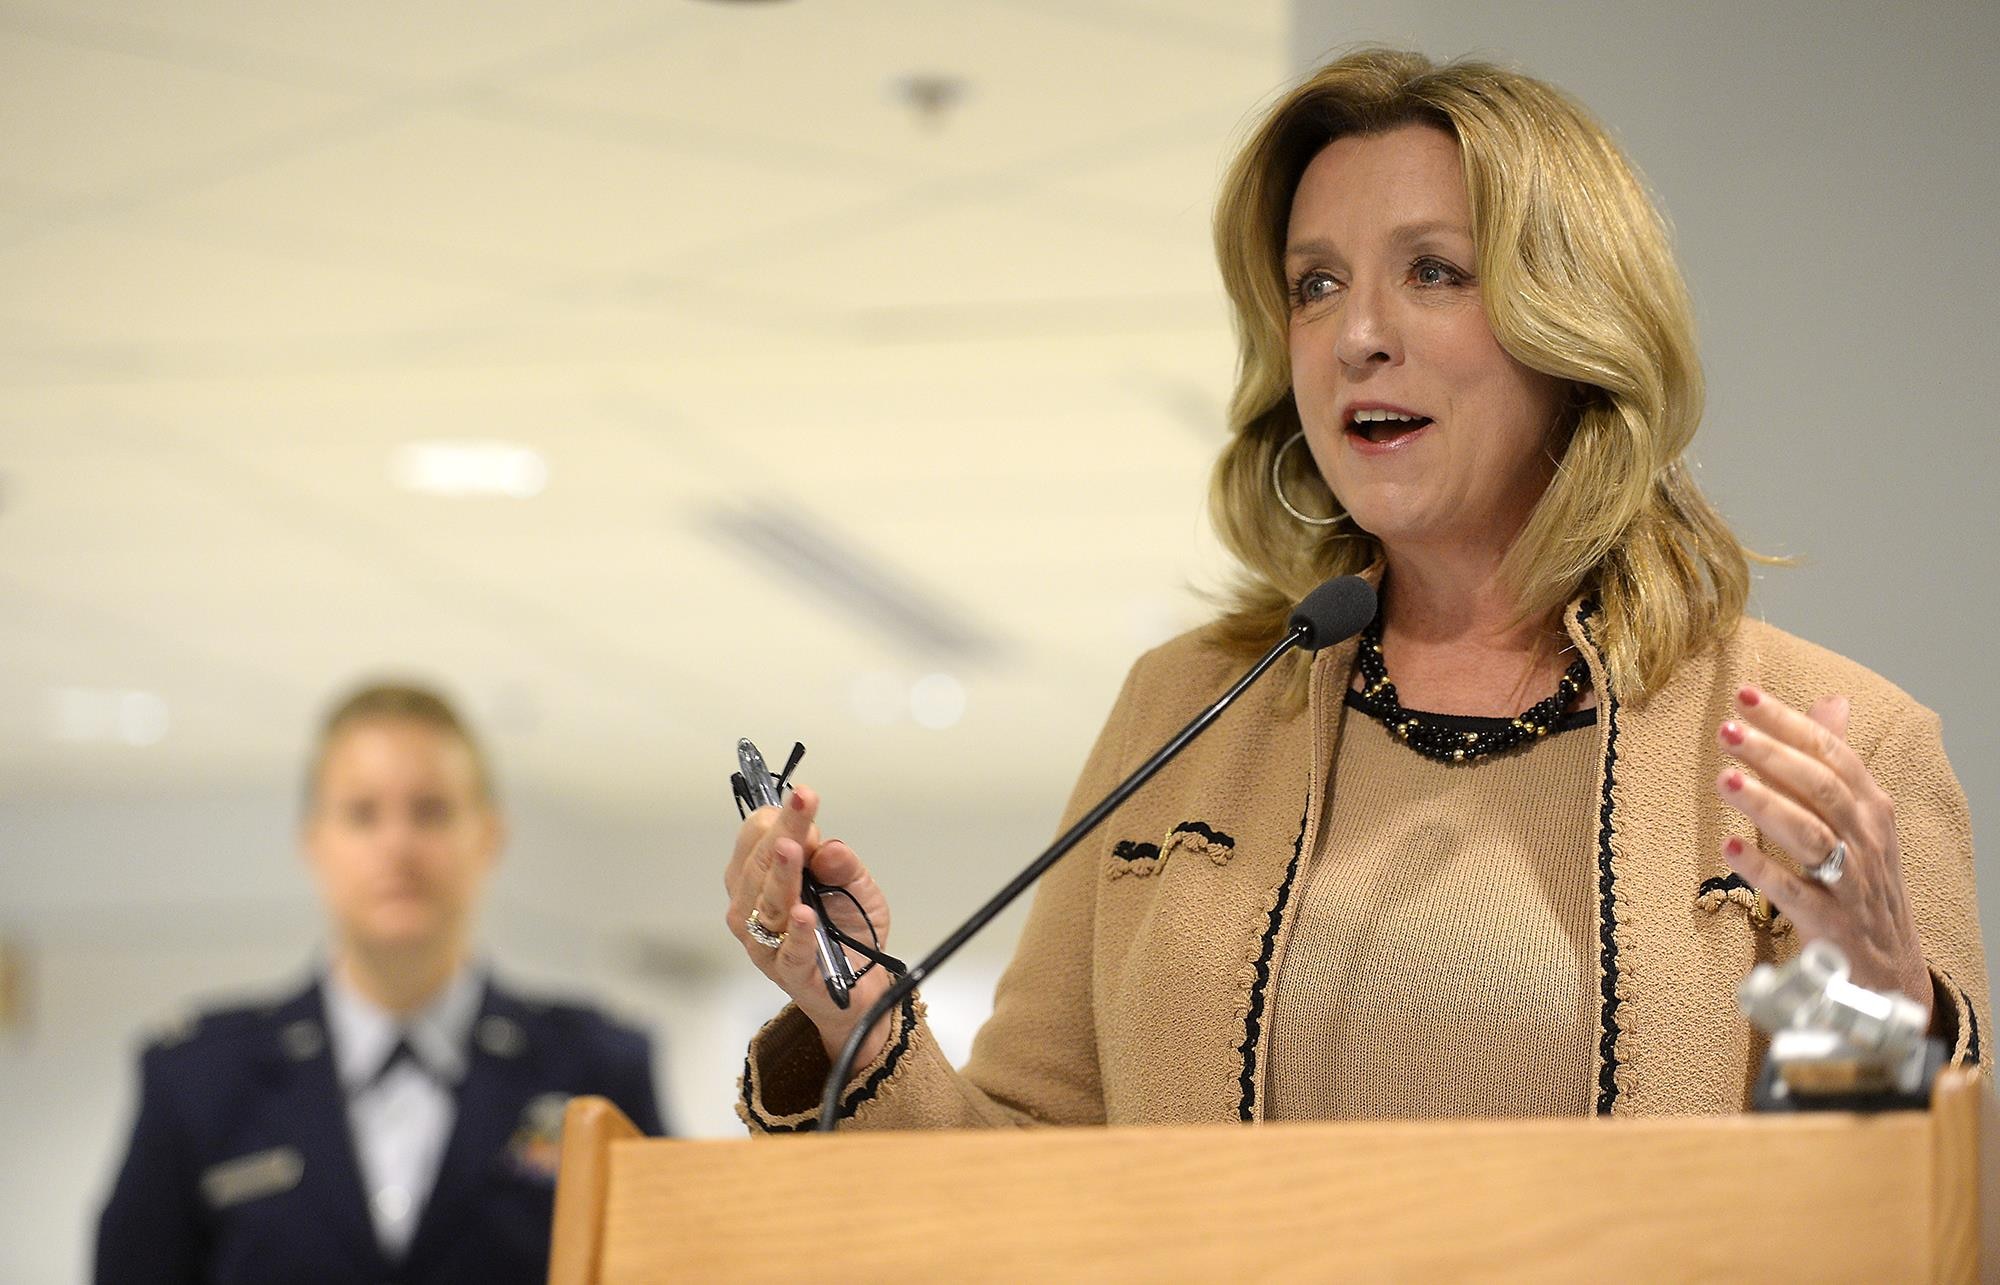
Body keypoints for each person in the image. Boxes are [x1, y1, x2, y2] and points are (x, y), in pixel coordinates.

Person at [726, 48, 1990, 1130]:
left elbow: (1881, 1204)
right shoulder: (1187, 711)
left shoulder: (1826, 741)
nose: (1354, 333)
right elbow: (1033, 1173)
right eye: (1313, 283)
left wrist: (1876, 1007)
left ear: (1575, 320)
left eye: (1432, 271)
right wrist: (854, 1022)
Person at [96, 683, 665, 1284]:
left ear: (489, 837)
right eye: (362, 814)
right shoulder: (199, 1080)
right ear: (313, 842)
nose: (398, 845)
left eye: (431, 811)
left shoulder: (595, 1072)